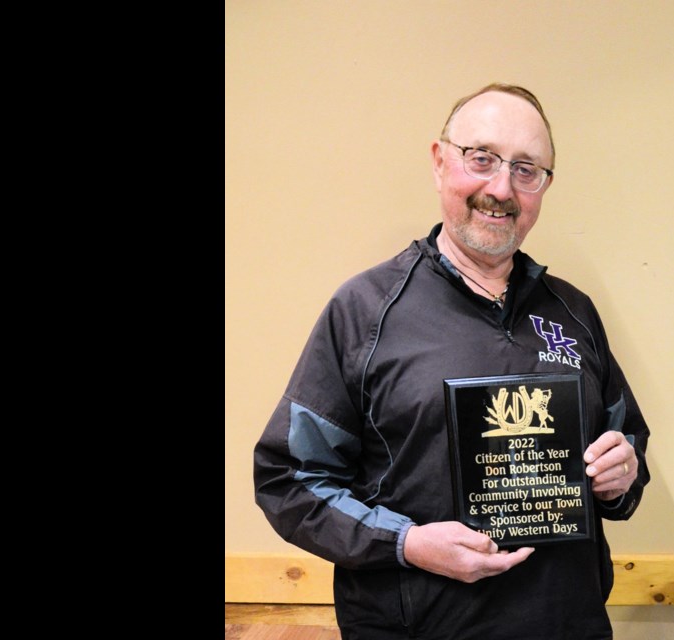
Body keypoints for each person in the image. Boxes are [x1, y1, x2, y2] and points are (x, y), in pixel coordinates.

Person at [254, 83, 650, 640]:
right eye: (481, 158)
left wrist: (622, 474)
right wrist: (407, 544)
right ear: (440, 162)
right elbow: (288, 478)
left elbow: (626, 447)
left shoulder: (573, 311)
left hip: (569, 623)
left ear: (544, 186)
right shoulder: (364, 311)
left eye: (526, 169)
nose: (501, 187)